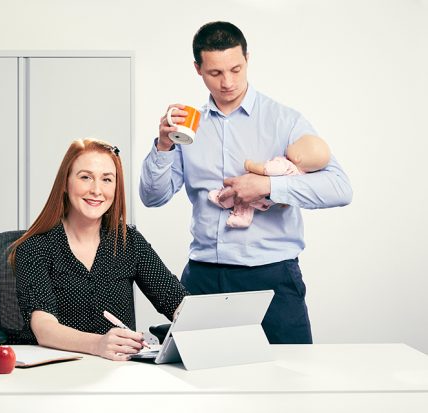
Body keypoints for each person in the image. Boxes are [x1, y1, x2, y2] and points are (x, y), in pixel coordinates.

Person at [139, 21, 353, 344]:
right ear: (198, 69)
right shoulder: (189, 128)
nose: (227, 82)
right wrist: (164, 146)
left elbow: (339, 187)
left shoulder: (284, 121)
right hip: (203, 279)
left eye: (236, 69)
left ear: (248, 59)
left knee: (287, 384)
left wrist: (268, 186)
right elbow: (152, 197)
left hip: (272, 280)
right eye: (215, 73)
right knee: (200, 387)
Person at [10, 138, 188, 361]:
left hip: (117, 375)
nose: (96, 190)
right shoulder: (35, 247)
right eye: (85, 177)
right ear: (65, 184)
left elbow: (177, 302)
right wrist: (98, 344)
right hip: (57, 373)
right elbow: (43, 326)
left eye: (107, 179)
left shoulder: (127, 241)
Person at [209, 135, 331, 228]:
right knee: (249, 206)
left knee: (238, 191)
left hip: (255, 189)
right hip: (268, 201)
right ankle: (242, 219)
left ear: (298, 157)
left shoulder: (285, 165)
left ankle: (222, 199)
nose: (290, 145)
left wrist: (250, 165)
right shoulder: (299, 177)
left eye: (294, 144)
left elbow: (266, 170)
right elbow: (290, 194)